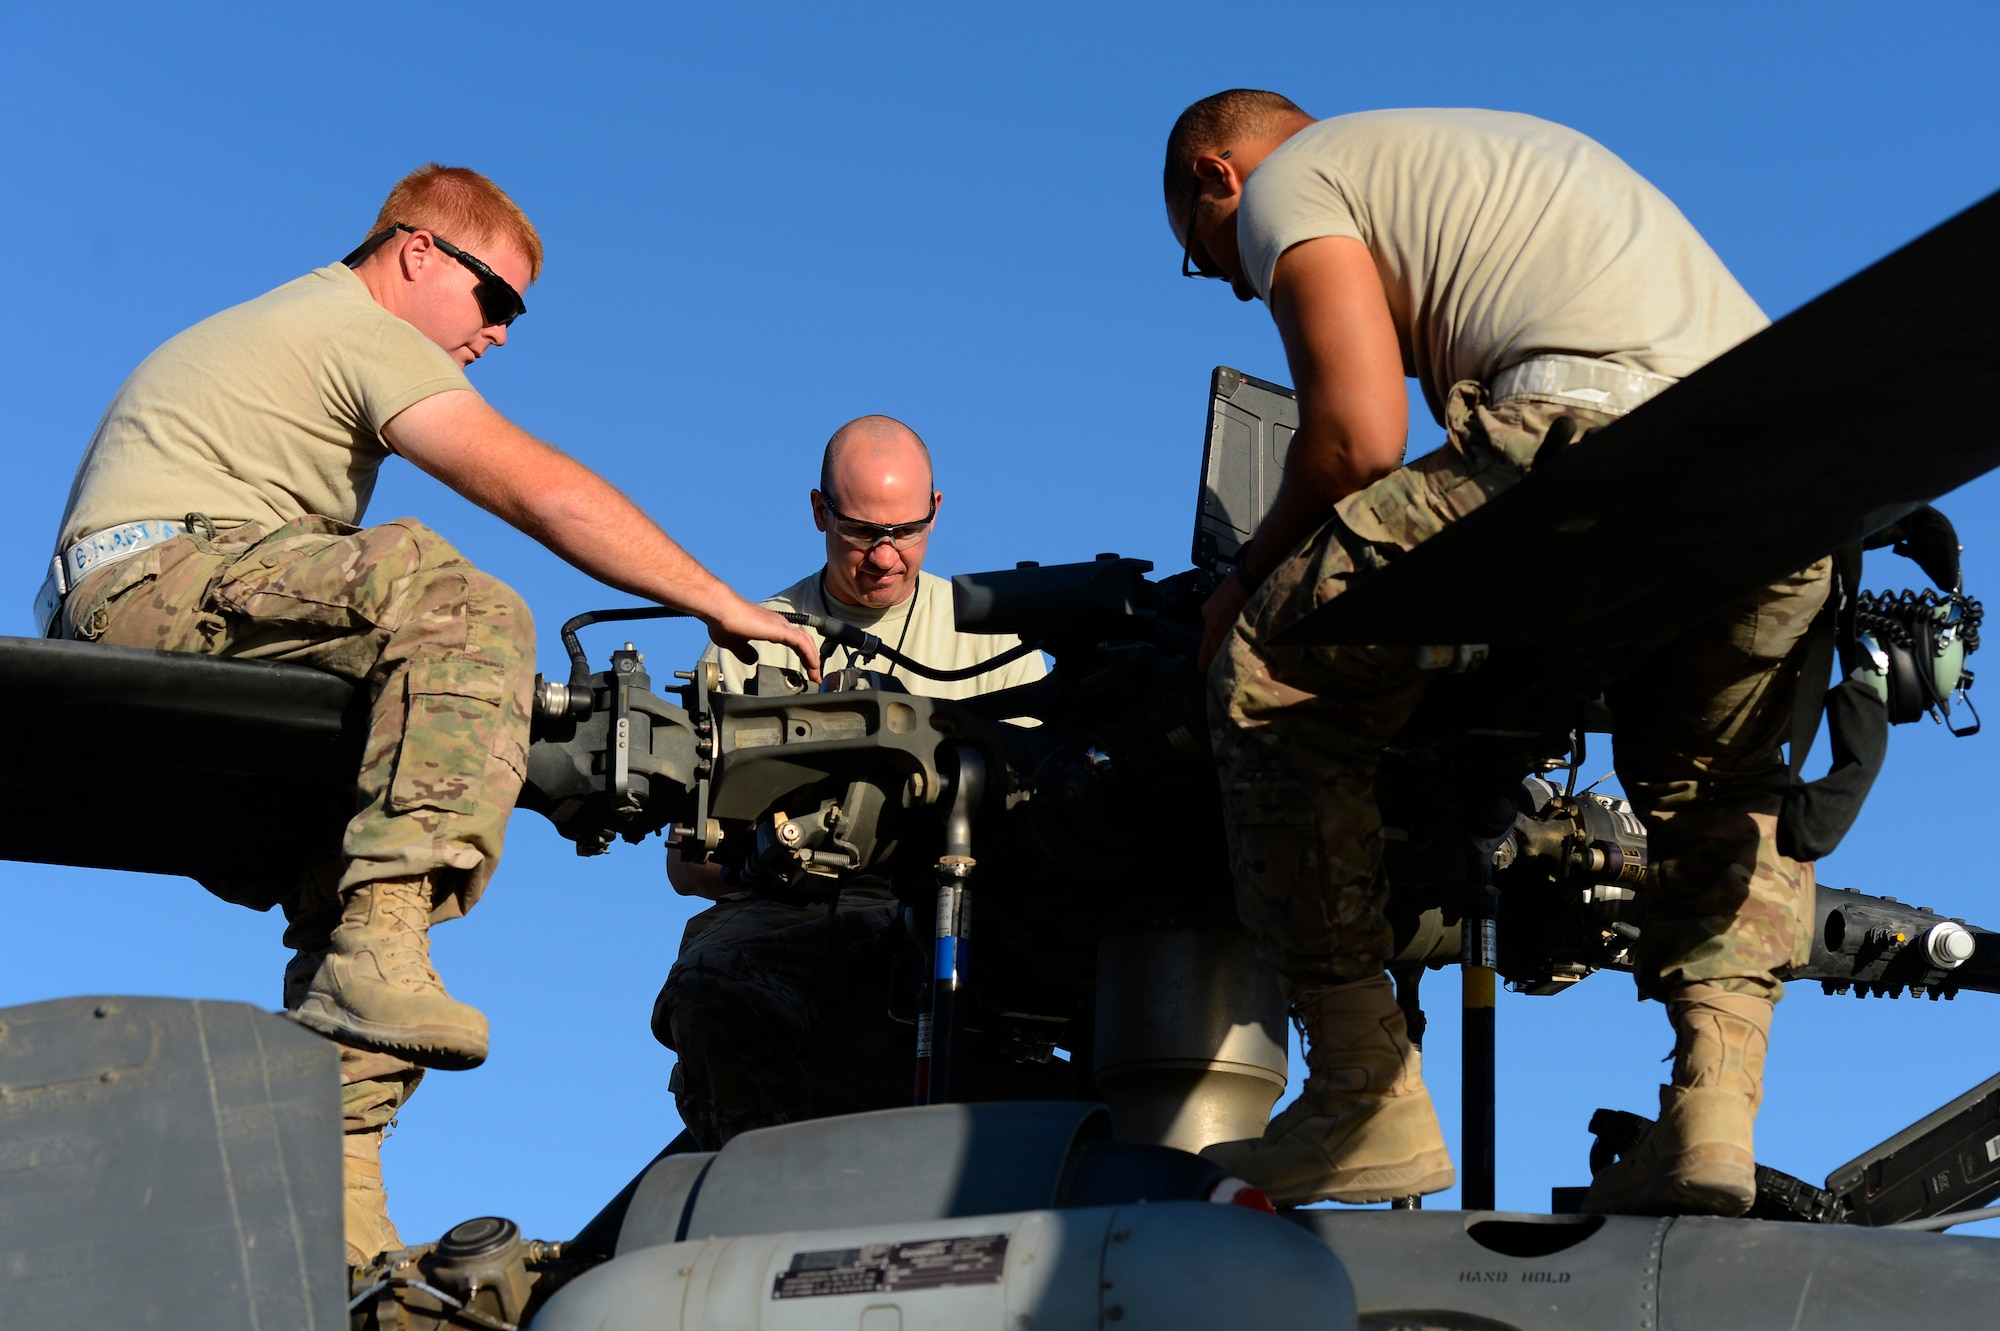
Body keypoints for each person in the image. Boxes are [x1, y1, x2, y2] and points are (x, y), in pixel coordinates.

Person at [41, 164, 821, 1263]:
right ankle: (385, 938)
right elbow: (531, 487)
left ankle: (347, 1250)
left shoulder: (290, 334)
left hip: (173, 599)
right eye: (494, 300)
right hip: (163, 578)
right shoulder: (349, 321)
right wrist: (722, 604)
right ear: (415, 252)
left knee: (347, 890)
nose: (499, 334)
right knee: (456, 598)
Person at [1164, 93, 1826, 1215]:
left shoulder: (1289, 181)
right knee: (1713, 785)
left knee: (1274, 669)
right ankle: (1709, 1127)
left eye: (1207, 260)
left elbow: (1356, 439)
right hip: (1785, 480)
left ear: (1216, 176)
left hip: (1591, 445)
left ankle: (1361, 1095)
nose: (1236, 284)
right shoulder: (1452, 172)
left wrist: (1238, 590)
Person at [652, 414, 1055, 1148]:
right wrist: (782, 856)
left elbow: (1045, 812)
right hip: (799, 909)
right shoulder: (746, 643)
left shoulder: (997, 643)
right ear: (818, 512)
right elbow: (687, 862)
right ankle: (756, 1178)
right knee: (716, 983)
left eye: (905, 530)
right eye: (862, 531)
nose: (885, 555)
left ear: (936, 509)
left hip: (967, 901)